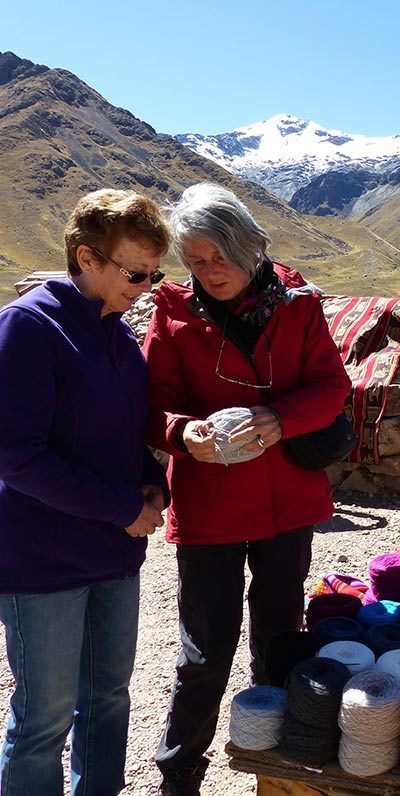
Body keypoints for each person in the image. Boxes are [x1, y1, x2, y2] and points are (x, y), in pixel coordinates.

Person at [143, 183, 350, 795]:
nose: (209, 273)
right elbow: (151, 407)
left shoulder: (298, 303)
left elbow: (331, 386)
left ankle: (278, 764)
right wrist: (187, 434)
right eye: (196, 262)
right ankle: (179, 772)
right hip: (211, 502)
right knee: (204, 651)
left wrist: (280, 419)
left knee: (280, 634)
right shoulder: (173, 310)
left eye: (220, 258)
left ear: (251, 248)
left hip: (286, 497)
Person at [0, 190, 170, 795]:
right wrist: (124, 508)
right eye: (134, 272)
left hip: (113, 558)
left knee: (106, 701)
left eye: (154, 274)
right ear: (86, 257)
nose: (145, 286)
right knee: (42, 720)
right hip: (42, 560)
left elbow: (130, 437)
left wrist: (154, 482)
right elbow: (16, 458)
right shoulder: (29, 328)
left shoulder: (120, 338)